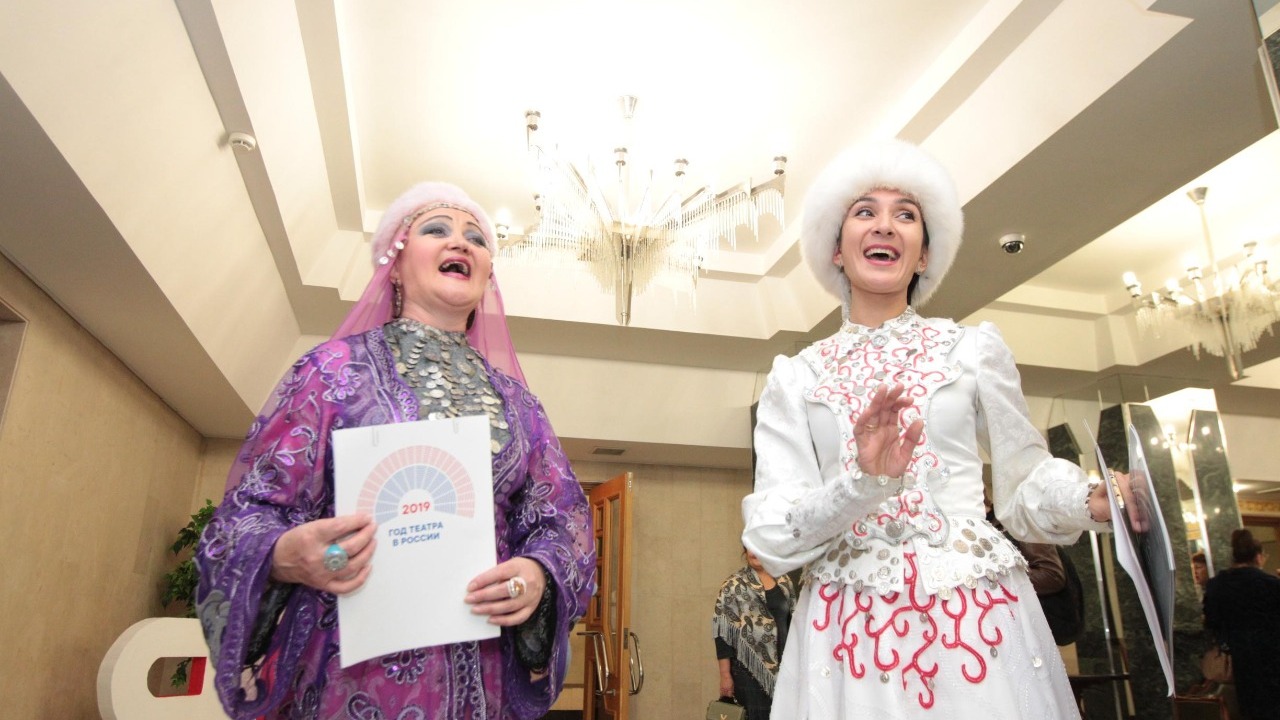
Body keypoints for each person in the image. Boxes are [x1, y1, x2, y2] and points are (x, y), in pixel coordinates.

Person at [742, 139, 1139, 719]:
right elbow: (775, 535)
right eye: (865, 211)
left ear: (924, 255)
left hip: (972, 610)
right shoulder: (795, 377)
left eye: (906, 215)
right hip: (849, 626)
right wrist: (862, 484)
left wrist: (1089, 498)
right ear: (835, 249)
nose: (885, 225)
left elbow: (1024, 481)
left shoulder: (973, 349)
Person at [195, 182, 596, 719]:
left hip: (482, 674)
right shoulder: (330, 372)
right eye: (437, 229)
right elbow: (245, 514)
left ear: (486, 275)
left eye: (477, 238)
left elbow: (561, 518)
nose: (461, 242)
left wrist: (537, 574)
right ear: (396, 263)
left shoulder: (519, 403)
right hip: (345, 669)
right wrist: (285, 555)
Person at [1202, 529, 1280, 719]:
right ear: (1258, 557)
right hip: (1271, 658)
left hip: (1238, 658)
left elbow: (1211, 620)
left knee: (1248, 706)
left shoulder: (1216, 585)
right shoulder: (1271, 584)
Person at [712, 548, 797, 720]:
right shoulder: (733, 585)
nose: (753, 552)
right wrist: (725, 675)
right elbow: (722, 633)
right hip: (747, 673)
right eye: (749, 547)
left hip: (784, 670)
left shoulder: (784, 581)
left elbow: (794, 624)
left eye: (758, 546)